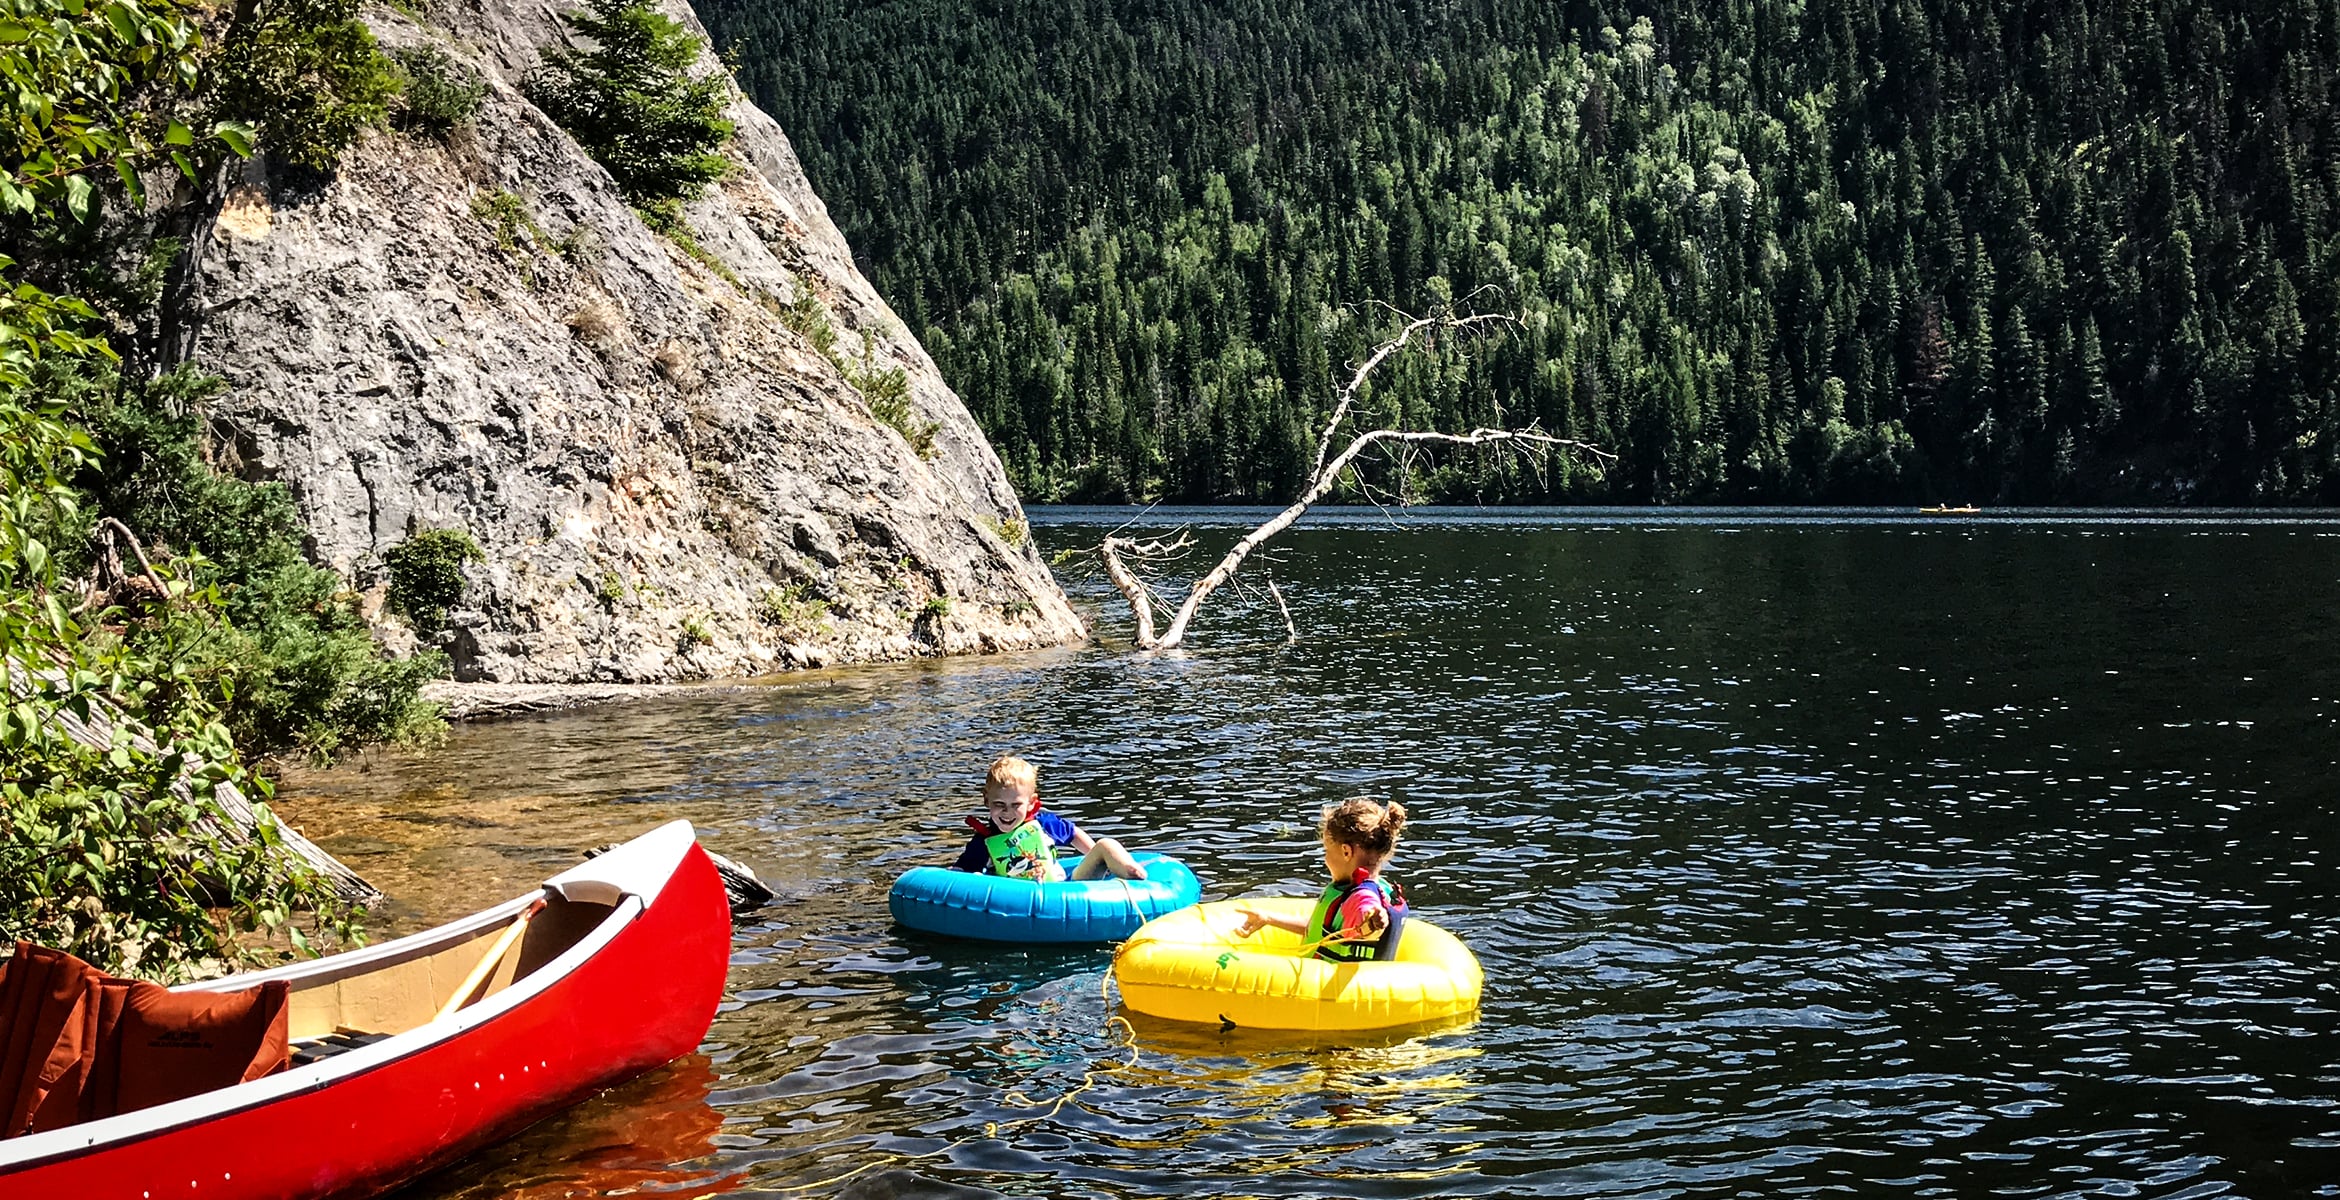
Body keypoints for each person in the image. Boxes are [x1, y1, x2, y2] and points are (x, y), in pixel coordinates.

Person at [1235, 797, 1409, 960]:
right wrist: (1268, 918)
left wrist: (1372, 921)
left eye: (1327, 850)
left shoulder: (1361, 896)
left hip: (1324, 990)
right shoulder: (1379, 889)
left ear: (1346, 852)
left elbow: (1365, 918)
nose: (1325, 858)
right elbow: (1319, 930)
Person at [951, 754, 1148, 882]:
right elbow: (959, 873)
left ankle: (1131, 873)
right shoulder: (983, 841)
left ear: (1031, 802)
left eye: (1016, 805)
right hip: (1014, 898)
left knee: (1106, 844)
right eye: (999, 805)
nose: (1007, 813)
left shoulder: (1043, 823)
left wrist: (1093, 857)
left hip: (1066, 889)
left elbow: (1073, 834)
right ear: (987, 801)